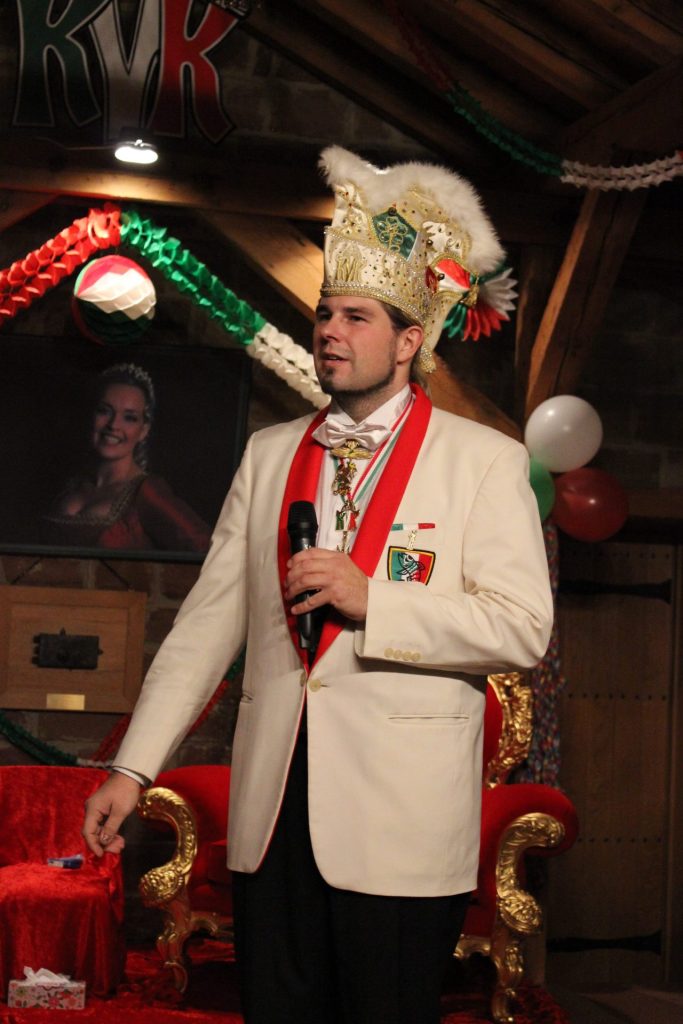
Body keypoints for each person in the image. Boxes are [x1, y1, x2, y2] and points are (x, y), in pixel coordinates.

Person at [82, 148, 553, 1024]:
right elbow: (203, 628)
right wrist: (130, 766)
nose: (329, 330)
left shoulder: (485, 461)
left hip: (401, 824)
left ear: (409, 342)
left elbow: (522, 628)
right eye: (324, 312)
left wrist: (377, 601)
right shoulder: (268, 455)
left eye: (356, 316)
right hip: (274, 819)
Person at [43, 362, 211, 553]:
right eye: (104, 411)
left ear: (143, 430)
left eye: (129, 417)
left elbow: (205, 548)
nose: (113, 425)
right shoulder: (70, 484)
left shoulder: (147, 491)